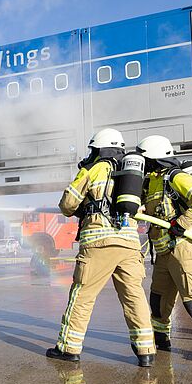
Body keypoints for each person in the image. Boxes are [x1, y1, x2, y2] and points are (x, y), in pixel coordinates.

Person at [45, 128, 156, 367]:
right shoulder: (133, 173)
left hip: (99, 243)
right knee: (134, 297)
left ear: (98, 149)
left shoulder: (95, 169)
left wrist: (83, 207)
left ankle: (68, 348)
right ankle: (147, 351)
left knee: (82, 296)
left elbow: (67, 204)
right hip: (129, 243)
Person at [138, 135, 192, 362]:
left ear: (154, 159)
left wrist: (182, 223)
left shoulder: (175, 177)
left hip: (183, 248)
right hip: (162, 253)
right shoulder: (151, 182)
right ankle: (161, 338)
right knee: (159, 301)